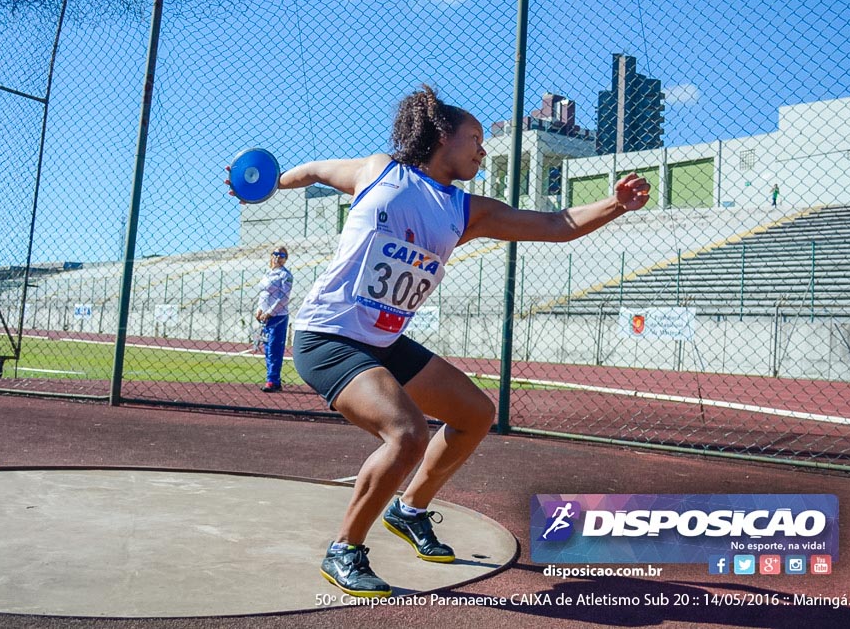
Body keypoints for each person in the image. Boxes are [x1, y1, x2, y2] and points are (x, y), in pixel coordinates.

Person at [231, 85, 650, 598]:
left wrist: (615, 204)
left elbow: (555, 224)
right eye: (474, 138)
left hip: (383, 341)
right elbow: (316, 170)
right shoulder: (379, 171)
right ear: (441, 135)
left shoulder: (465, 210)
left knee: (474, 414)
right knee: (406, 435)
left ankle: (409, 511)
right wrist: (271, 184)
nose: (482, 149)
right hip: (328, 336)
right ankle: (345, 549)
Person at [254, 246, 293, 392]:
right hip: (265, 316)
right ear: (271, 256)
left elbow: (284, 298)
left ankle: (273, 380)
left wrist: (269, 312)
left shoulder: (285, 275)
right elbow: (263, 293)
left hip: (278, 316)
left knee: (274, 349)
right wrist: (259, 309)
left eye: (282, 255)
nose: (278, 257)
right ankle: (272, 378)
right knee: (267, 347)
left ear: (285, 258)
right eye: (276, 254)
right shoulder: (268, 273)